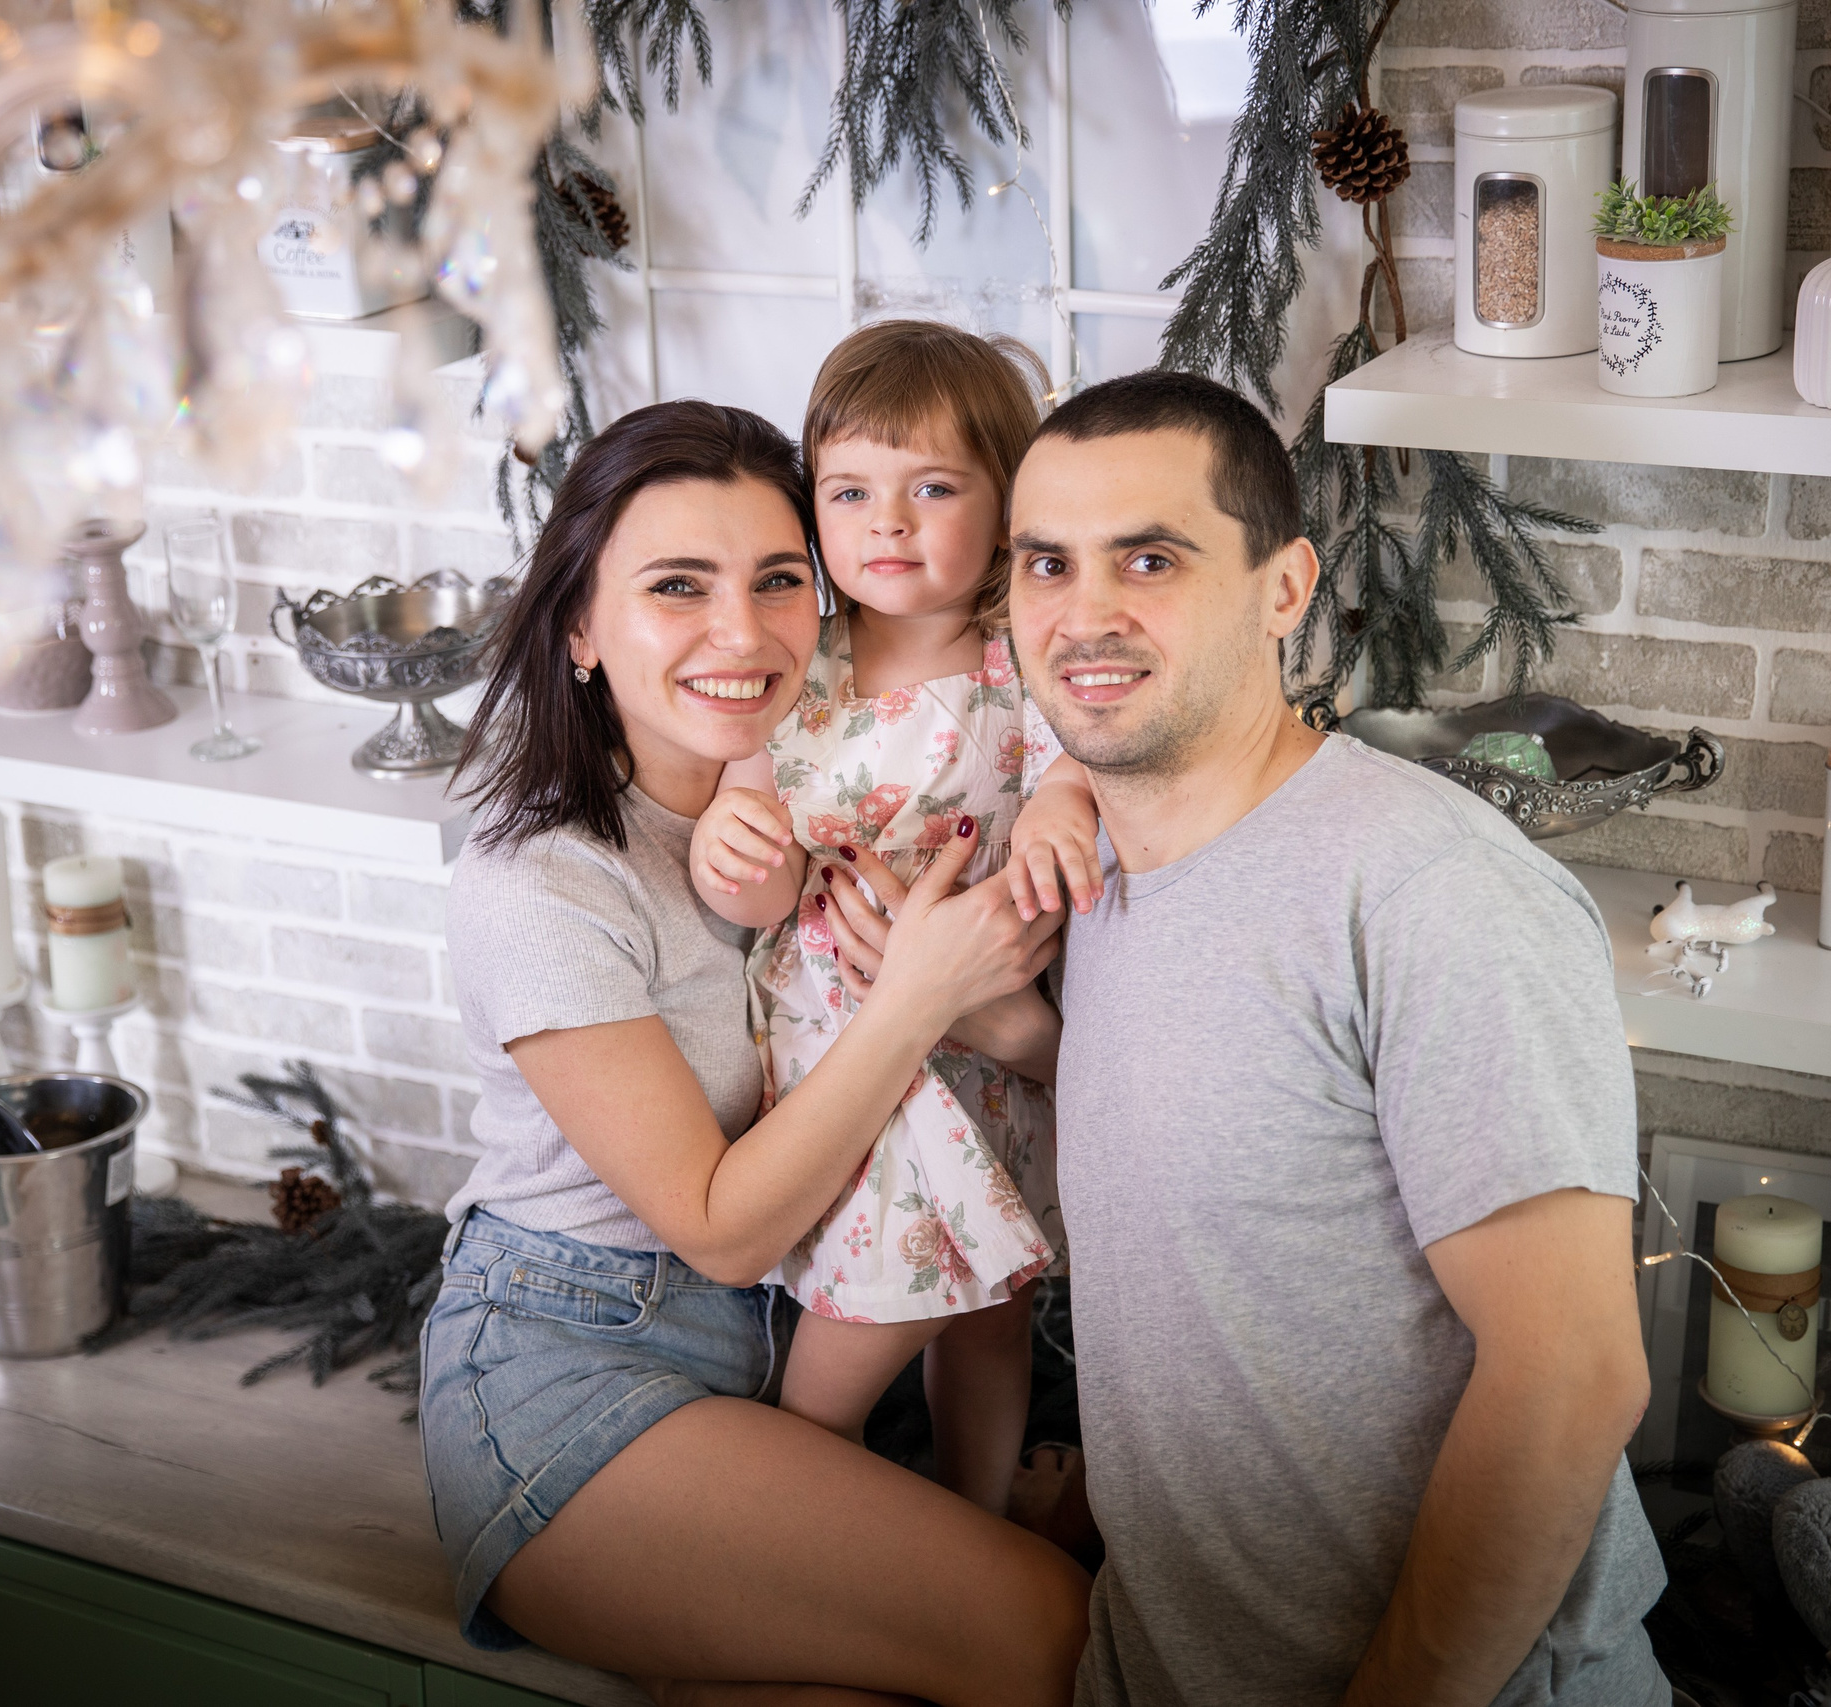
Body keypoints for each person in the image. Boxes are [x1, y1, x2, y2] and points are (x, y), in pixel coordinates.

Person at [833, 367, 1669, 1705]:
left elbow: (1570, 1376)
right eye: (1048, 562)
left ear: (1285, 588)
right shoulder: (1090, 874)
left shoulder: (1429, 888)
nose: (1085, 614)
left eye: (1149, 558)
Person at [419, 398, 1090, 1707]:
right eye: (678, 586)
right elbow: (721, 1231)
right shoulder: (545, 883)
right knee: (1052, 1636)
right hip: (573, 1363)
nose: (744, 634)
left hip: (785, 1338)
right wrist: (919, 996)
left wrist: (1007, 1026)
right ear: (576, 626)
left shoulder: (860, 791)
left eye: (779, 580)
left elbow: (1038, 1060)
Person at [687, 320, 1097, 1516]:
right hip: (852, 1057)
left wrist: (1065, 812)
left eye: (932, 489)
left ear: (1005, 505)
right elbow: (754, 879)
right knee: (863, 1305)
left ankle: (973, 1516)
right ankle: (793, 1519)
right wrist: (735, 846)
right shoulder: (796, 664)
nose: (889, 524)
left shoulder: (1017, 666)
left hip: (984, 1051)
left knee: (987, 1305)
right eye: (851, 491)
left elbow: (1071, 771)